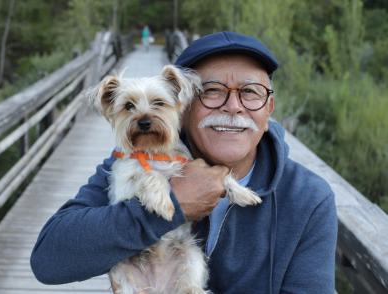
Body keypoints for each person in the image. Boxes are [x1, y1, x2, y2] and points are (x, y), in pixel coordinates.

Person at [30, 31, 338, 294]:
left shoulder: (309, 198)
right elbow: (48, 258)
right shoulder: (134, 161)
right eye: (213, 91)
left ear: (268, 108)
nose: (233, 106)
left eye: (250, 92)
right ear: (185, 104)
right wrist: (170, 209)